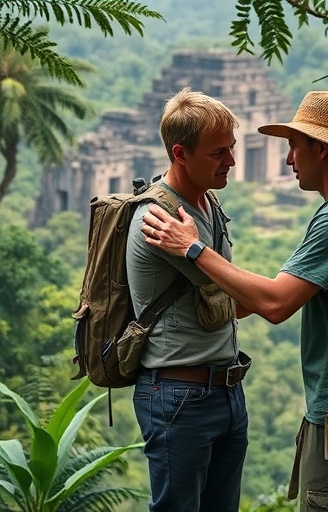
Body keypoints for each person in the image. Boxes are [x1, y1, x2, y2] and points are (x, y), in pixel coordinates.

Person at [141, 90, 328, 512]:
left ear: (321, 149)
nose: (288, 160)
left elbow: (276, 305)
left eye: (294, 147)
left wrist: (194, 248)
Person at [126, 87, 251, 512]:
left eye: (231, 148)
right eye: (218, 153)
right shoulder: (159, 220)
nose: (231, 162)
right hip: (179, 396)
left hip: (226, 390)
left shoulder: (208, 206)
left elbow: (231, 297)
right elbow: (239, 293)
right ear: (180, 153)